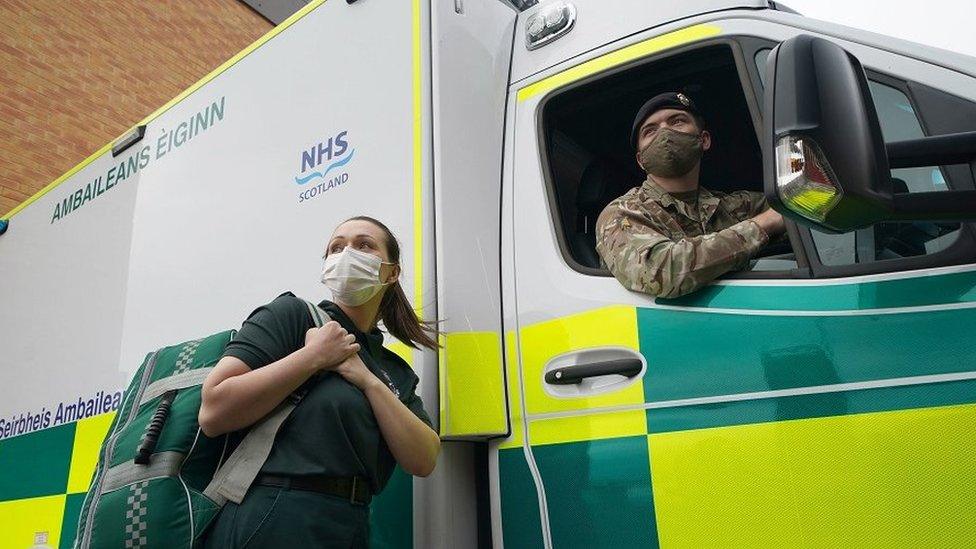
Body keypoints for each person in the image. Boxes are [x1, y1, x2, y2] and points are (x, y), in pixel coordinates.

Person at [199, 215, 440, 548]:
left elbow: (424, 459)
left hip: (349, 522)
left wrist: (369, 382)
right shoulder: (293, 316)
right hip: (275, 515)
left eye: (364, 245)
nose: (347, 254)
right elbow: (213, 410)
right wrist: (313, 357)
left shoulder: (393, 371)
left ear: (392, 272)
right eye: (336, 248)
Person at [595, 92, 787, 298]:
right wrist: (762, 225)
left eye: (676, 121)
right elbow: (663, 272)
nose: (664, 134)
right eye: (650, 131)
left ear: (703, 139)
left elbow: (804, 206)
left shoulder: (735, 206)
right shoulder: (622, 213)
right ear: (641, 160)